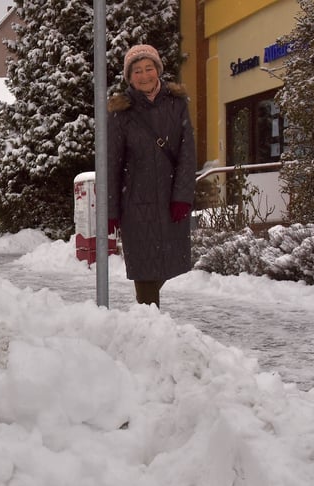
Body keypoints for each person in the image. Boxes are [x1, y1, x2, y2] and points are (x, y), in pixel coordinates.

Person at [107, 44, 196, 308]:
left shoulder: (176, 104)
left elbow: (187, 154)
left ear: (157, 70)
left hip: (171, 200)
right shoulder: (121, 112)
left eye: (148, 68)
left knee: (168, 262)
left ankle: (148, 328)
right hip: (136, 203)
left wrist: (182, 196)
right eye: (137, 71)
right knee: (145, 272)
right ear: (129, 77)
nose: (144, 75)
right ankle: (148, 326)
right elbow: (112, 163)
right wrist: (110, 209)